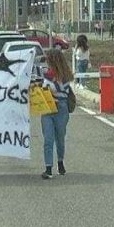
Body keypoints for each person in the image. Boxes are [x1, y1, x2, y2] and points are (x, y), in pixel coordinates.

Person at [39, 49, 74, 180]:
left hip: (60, 108)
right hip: (47, 108)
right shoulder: (46, 74)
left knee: (60, 137)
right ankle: (48, 168)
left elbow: (61, 91)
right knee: (48, 139)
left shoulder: (64, 76)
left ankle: (60, 162)